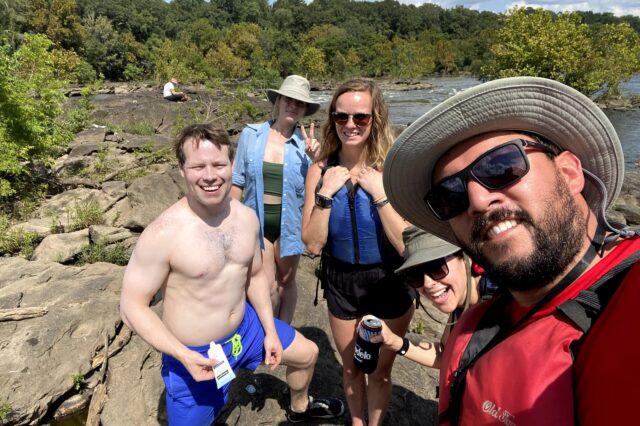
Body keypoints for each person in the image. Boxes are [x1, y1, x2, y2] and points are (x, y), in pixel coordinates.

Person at [383, 76, 640, 425]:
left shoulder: (627, 296)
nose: (476, 200)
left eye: (501, 167)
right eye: (450, 195)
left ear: (568, 173)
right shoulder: (477, 321)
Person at [119, 124, 344, 425]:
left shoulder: (246, 217)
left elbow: (253, 278)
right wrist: (182, 355)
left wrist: (271, 331)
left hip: (246, 330)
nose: (210, 175)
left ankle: (299, 408)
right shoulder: (163, 233)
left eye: (218, 164)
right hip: (195, 353)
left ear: (232, 165)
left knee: (307, 354)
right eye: (198, 166)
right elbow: (131, 305)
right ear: (182, 169)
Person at [301, 78, 415, 426]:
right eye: (341, 117)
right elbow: (312, 244)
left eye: (360, 118)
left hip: (390, 278)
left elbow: (406, 245)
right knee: (351, 367)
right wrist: (325, 195)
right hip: (341, 279)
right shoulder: (320, 170)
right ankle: (356, 422)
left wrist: (379, 195)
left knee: (379, 371)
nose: (350, 125)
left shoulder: (394, 168)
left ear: (375, 118)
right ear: (332, 119)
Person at [231, 74, 321, 324]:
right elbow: (237, 180)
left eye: (299, 103)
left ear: (304, 110)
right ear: (279, 101)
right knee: (267, 286)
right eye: (288, 99)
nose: (293, 105)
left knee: (287, 282)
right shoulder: (251, 134)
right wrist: (229, 220)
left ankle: (284, 332)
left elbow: (320, 189)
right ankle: (267, 332)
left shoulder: (307, 146)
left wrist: (317, 160)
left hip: (290, 225)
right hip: (257, 223)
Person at [369, 225, 495, 369]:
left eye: (436, 267)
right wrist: (394, 342)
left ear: (467, 258)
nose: (427, 284)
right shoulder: (462, 301)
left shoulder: (505, 302)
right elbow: (445, 354)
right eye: (415, 275)